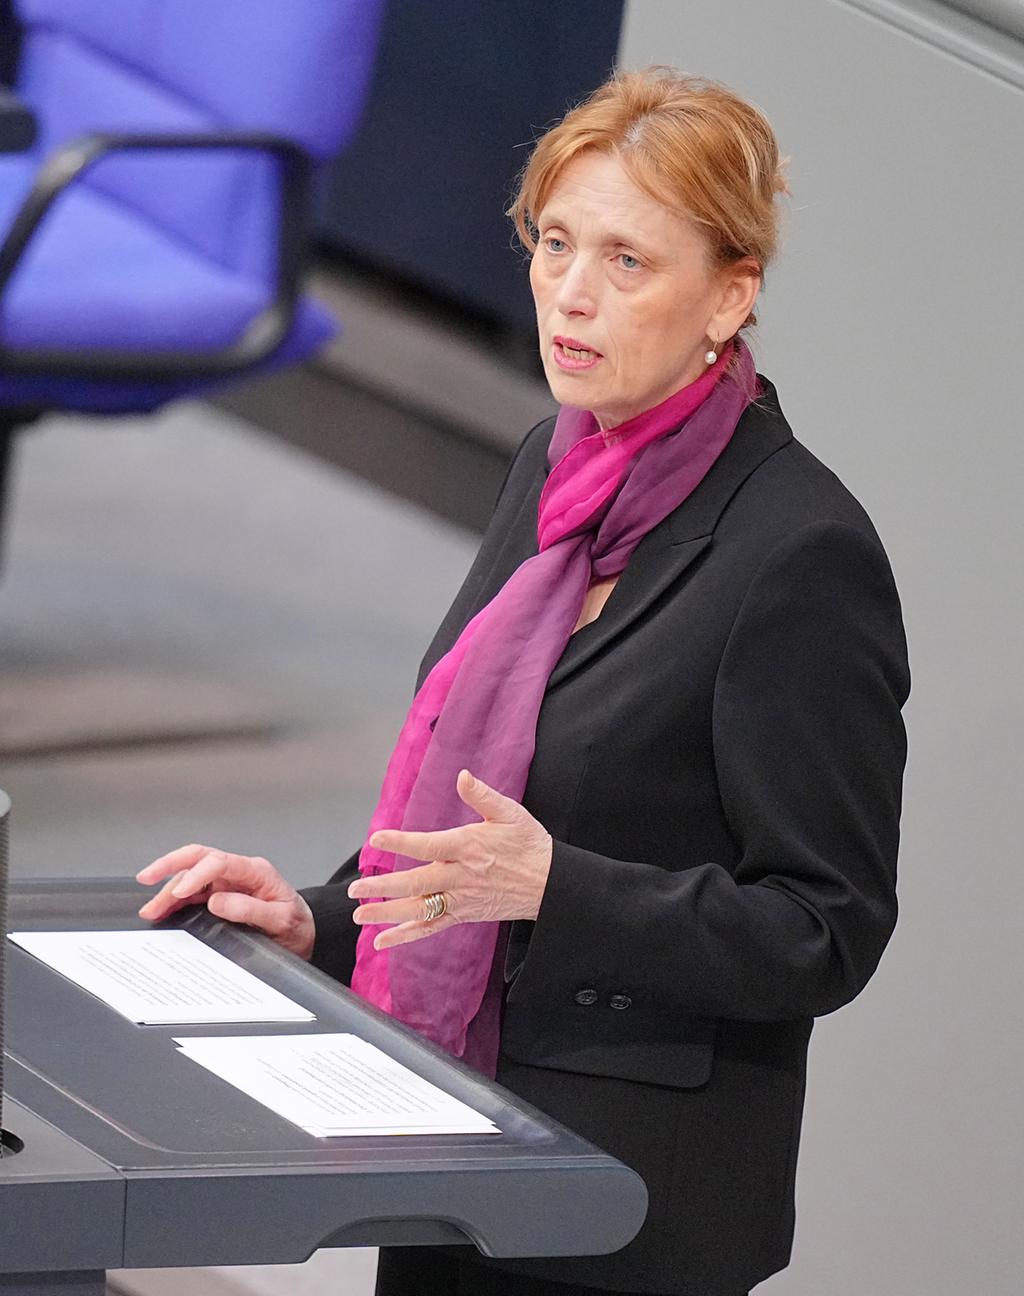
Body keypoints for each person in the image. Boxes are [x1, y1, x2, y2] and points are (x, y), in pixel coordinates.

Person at [137, 68, 910, 1296]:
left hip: (619, 1206)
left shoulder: (799, 556)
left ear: (731, 294)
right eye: (555, 243)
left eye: (627, 261)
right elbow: (472, 807)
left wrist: (561, 889)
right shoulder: (556, 466)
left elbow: (825, 930)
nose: (572, 295)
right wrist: (320, 920)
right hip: (445, 1124)